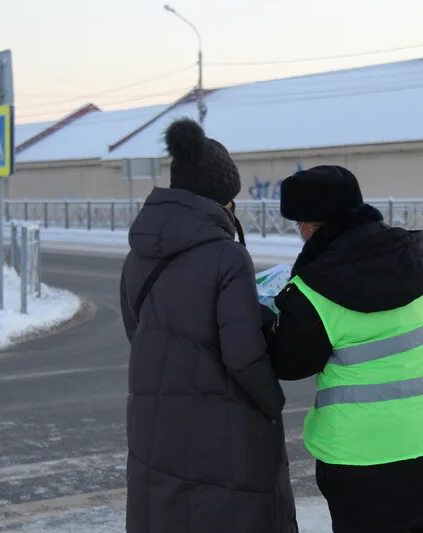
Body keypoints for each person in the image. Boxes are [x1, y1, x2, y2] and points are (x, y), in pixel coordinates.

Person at [265, 165, 423, 533]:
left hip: (365, 468)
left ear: (309, 225)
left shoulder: (313, 290)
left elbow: (288, 361)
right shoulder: (418, 261)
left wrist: (269, 314)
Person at [120, 118, 297, 533]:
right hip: (220, 433)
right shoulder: (228, 258)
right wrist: (273, 402)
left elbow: (138, 332)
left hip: (153, 429)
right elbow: (242, 355)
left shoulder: (138, 255)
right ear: (222, 200)